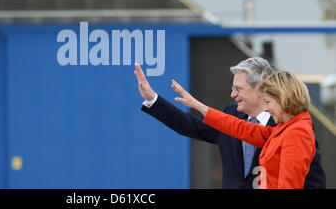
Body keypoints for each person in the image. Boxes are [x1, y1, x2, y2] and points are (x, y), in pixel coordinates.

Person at [134, 57, 325, 188]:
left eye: (238, 89)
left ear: (263, 91)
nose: (233, 94)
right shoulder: (281, 128)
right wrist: (197, 106)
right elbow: (237, 128)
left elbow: (302, 183)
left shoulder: (296, 131)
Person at [171, 70, 319, 189]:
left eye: (268, 102)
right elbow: (241, 128)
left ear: (283, 99)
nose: (266, 109)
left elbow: (289, 185)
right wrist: (199, 106)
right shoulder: (285, 128)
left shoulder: (297, 132)